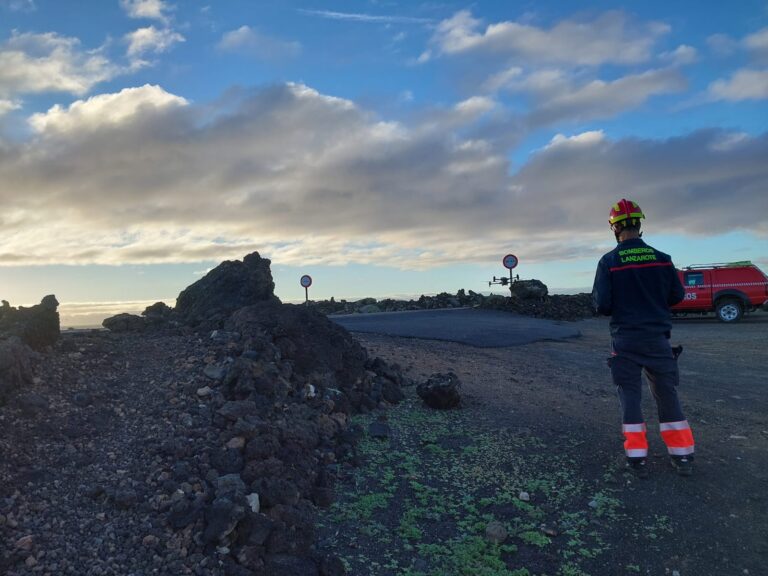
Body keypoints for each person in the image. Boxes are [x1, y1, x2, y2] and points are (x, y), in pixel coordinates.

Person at [592, 199, 695, 478]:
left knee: (630, 395)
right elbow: (677, 296)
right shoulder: (662, 259)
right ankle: (682, 456)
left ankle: (636, 458)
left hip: (625, 339)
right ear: (640, 224)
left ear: (614, 228)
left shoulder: (609, 262)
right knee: (667, 393)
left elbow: (602, 305)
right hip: (657, 339)